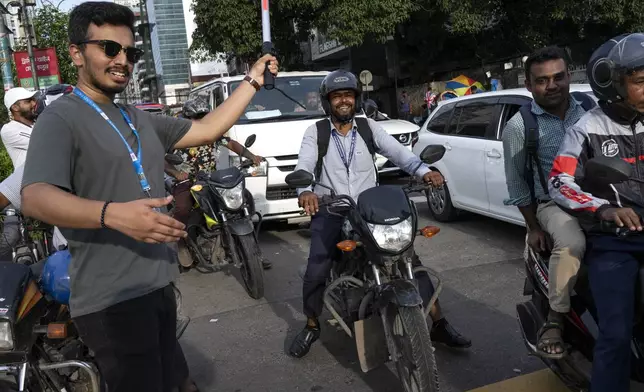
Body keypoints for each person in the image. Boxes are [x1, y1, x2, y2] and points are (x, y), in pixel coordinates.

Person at [19, 2, 278, 391]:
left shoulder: (136, 117)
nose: (122, 60)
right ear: (76, 53)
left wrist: (253, 79)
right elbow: (35, 196)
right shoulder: (61, 119)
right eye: (109, 48)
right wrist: (113, 215)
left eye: (130, 52)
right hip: (112, 300)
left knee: (180, 382)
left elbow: (208, 128)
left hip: (156, 285)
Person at [288, 70, 471, 358]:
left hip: (369, 208)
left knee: (407, 257)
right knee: (316, 269)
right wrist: (305, 192)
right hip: (332, 208)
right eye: (337, 96)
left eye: (348, 95)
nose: (344, 101)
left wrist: (425, 172)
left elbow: (401, 154)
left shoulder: (368, 127)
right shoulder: (317, 132)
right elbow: (305, 164)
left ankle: (438, 322)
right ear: (328, 102)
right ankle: (312, 323)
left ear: (356, 99)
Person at [548, 33, 644, 392]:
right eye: (640, 82)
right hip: (615, 243)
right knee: (615, 334)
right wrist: (602, 208)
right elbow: (559, 181)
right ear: (616, 85)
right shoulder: (586, 128)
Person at [501, 46, 592, 359]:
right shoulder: (519, 127)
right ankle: (555, 318)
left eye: (558, 77)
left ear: (569, 76)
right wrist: (533, 227)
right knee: (571, 244)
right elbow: (516, 182)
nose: (551, 85)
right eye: (542, 80)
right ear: (529, 85)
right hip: (553, 205)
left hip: (600, 200)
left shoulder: (591, 112)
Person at [165, 96, 271, 269]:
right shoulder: (177, 135)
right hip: (187, 181)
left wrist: (251, 156)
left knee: (241, 203)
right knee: (183, 208)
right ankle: (180, 242)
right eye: (197, 117)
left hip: (211, 180)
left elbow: (231, 143)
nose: (200, 120)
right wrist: (176, 172)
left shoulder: (211, 132)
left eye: (203, 116)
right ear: (187, 117)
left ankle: (254, 253)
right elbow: (163, 159)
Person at [1, 87, 38, 168]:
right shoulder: (9, 130)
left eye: (33, 99)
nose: (34, 103)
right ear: (15, 107)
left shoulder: (37, 123)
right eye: (28, 101)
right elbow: (42, 143)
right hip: (29, 179)